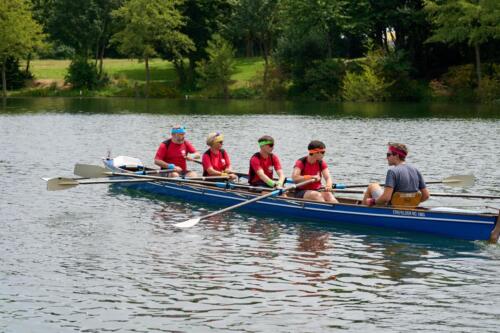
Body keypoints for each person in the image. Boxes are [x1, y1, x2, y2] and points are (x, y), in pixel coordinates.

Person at [363, 142, 430, 207]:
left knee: (372, 186)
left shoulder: (392, 172)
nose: (387, 158)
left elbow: (386, 198)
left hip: (391, 206)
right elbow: (426, 196)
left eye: (388, 155)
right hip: (409, 207)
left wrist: (373, 201)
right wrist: (410, 204)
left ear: (397, 156)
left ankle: (363, 212)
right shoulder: (416, 170)